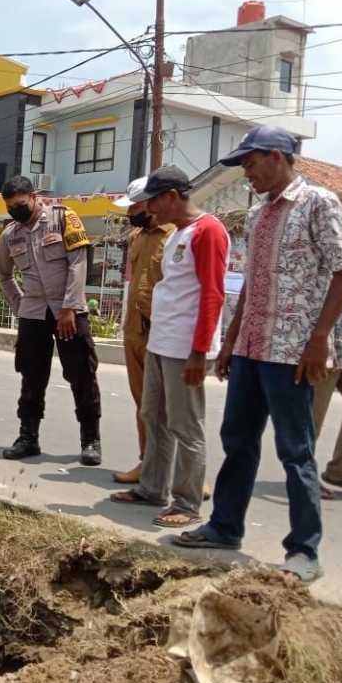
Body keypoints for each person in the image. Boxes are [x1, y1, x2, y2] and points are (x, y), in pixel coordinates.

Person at [175, 126, 342, 583]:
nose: (247, 175)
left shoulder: (319, 203)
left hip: (294, 349)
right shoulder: (257, 215)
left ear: (277, 157)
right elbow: (253, 282)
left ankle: (304, 550)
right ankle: (224, 526)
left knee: (296, 450)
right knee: (237, 437)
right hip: (253, 346)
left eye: (251, 164)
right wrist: (232, 340)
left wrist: (319, 340)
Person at [111, 166, 229, 528]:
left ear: (172, 196)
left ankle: (187, 502)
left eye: (153, 202)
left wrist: (199, 352)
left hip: (185, 349)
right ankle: (152, 488)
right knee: (153, 417)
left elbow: (212, 294)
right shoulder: (178, 234)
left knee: (185, 425)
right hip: (161, 343)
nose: (150, 211)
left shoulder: (208, 231)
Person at [0, 175, 102, 466]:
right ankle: (28, 437)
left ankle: (90, 439)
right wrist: (20, 304)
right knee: (31, 375)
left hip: (69, 311)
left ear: (33, 196)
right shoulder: (10, 235)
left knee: (81, 374)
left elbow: (79, 263)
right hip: (33, 314)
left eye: (19, 204)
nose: (15, 210)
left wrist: (69, 307)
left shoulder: (63, 218)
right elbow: (3, 275)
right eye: (9, 207)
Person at [115, 176, 175, 484]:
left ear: (152, 202)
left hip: (163, 332)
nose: (129, 214)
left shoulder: (176, 235)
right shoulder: (137, 236)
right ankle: (147, 463)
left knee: (173, 406)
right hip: (135, 331)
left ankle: (182, 472)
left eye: (134, 206)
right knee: (144, 404)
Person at [314, 194, 342, 498]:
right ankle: (301, 476)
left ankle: (341, 471)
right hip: (325, 347)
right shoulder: (322, 251)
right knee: (310, 418)